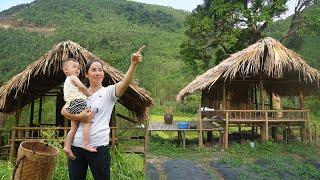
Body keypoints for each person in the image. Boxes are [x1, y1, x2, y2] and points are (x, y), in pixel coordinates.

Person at [61, 45, 146, 180]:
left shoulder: (108, 92)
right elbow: (64, 111)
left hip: (99, 147)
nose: (97, 73)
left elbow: (125, 83)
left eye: (100, 70)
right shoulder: (80, 93)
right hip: (76, 146)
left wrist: (133, 64)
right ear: (86, 74)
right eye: (93, 70)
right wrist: (80, 116)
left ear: (103, 74)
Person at [62, 58, 96, 160]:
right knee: (87, 120)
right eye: (74, 67)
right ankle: (86, 143)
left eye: (78, 68)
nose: (77, 69)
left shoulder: (66, 81)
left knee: (73, 128)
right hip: (78, 102)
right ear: (66, 70)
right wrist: (89, 93)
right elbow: (81, 86)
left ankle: (67, 146)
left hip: (70, 105)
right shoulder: (73, 77)